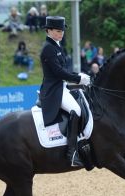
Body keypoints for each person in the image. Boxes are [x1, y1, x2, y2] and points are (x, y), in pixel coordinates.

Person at [40, 16, 91, 167]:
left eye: (62, 30)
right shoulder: (48, 48)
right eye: (57, 31)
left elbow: (64, 70)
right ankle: (72, 152)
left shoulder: (56, 45)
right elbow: (58, 72)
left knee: (83, 102)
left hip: (60, 86)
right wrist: (78, 79)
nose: (61, 33)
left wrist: (79, 75)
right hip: (53, 89)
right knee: (76, 110)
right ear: (49, 31)